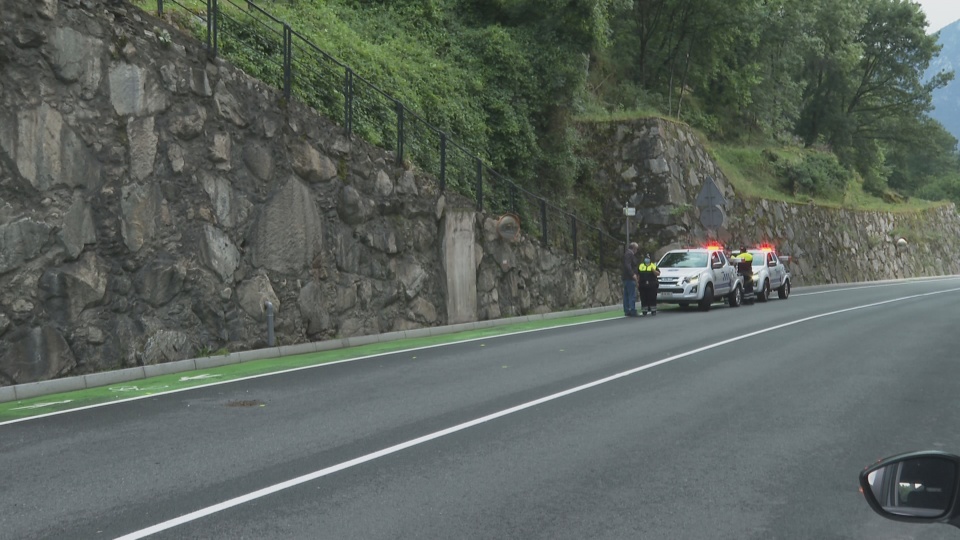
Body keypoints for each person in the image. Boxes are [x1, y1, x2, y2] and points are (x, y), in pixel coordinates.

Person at [622, 242, 640, 317]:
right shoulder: (630, 254)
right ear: (634, 248)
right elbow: (628, 265)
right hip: (629, 277)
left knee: (626, 294)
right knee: (631, 294)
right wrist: (633, 274)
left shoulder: (626, 254)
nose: (637, 251)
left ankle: (627, 310)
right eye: (636, 249)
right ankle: (632, 310)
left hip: (625, 277)